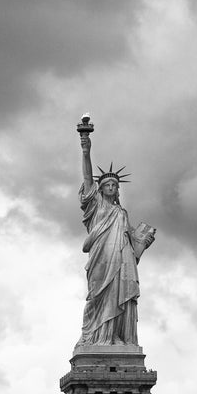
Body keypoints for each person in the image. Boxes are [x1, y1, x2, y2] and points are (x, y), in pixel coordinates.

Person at [76, 131, 155, 346]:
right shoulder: (96, 206)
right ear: (100, 189)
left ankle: (114, 336)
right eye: (107, 185)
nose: (111, 187)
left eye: (114, 185)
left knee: (120, 293)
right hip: (101, 257)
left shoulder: (122, 213)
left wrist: (143, 242)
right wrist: (86, 150)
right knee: (98, 296)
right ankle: (95, 336)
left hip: (122, 258)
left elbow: (133, 244)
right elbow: (86, 178)